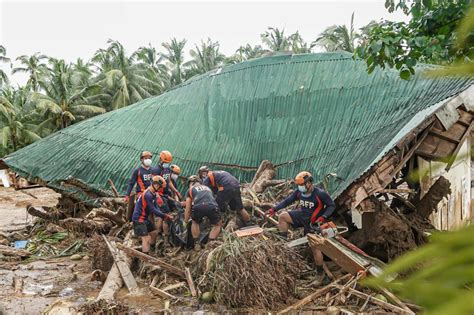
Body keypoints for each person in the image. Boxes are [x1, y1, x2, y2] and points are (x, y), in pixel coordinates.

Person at [267, 171, 336, 274]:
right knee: (283, 217)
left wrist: (323, 217)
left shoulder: (319, 194)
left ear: (309, 183)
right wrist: (274, 209)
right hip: (302, 216)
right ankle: (283, 243)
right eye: (298, 185)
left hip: (313, 222)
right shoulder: (299, 192)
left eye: (302, 185)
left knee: (315, 247)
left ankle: (320, 274)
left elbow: (331, 205)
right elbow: (287, 201)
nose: (300, 187)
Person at [132, 175, 173, 254]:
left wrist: (163, 214)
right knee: (146, 238)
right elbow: (152, 209)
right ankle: (145, 258)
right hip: (139, 219)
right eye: (160, 187)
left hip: (144, 218)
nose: (160, 189)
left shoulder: (153, 193)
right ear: (156, 185)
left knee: (154, 233)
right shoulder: (148, 195)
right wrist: (164, 216)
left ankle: (152, 250)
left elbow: (155, 207)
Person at [184, 175, 222, 250]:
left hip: (198, 207)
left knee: (195, 222)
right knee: (217, 224)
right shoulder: (208, 188)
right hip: (212, 206)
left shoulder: (190, 189)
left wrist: (185, 221)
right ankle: (210, 244)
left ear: (190, 183)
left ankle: (197, 243)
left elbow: (188, 208)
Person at [153, 151, 182, 246]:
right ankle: (164, 239)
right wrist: (157, 196)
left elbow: (169, 182)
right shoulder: (156, 170)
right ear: (160, 160)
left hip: (166, 195)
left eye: (168, 162)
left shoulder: (167, 170)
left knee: (176, 207)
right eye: (166, 162)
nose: (167, 164)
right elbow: (153, 185)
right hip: (159, 195)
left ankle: (160, 233)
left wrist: (176, 191)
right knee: (165, 216)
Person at [124, 151, 155, 220]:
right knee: (143, 212)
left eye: (149, 158)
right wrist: (127, 195)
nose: (148, 160)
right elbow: (131, 183)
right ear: (141, 159)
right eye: (146, 158)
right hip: (141, 194)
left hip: (151, 194)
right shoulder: (137, 171)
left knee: (152, 211)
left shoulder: (153, 170)